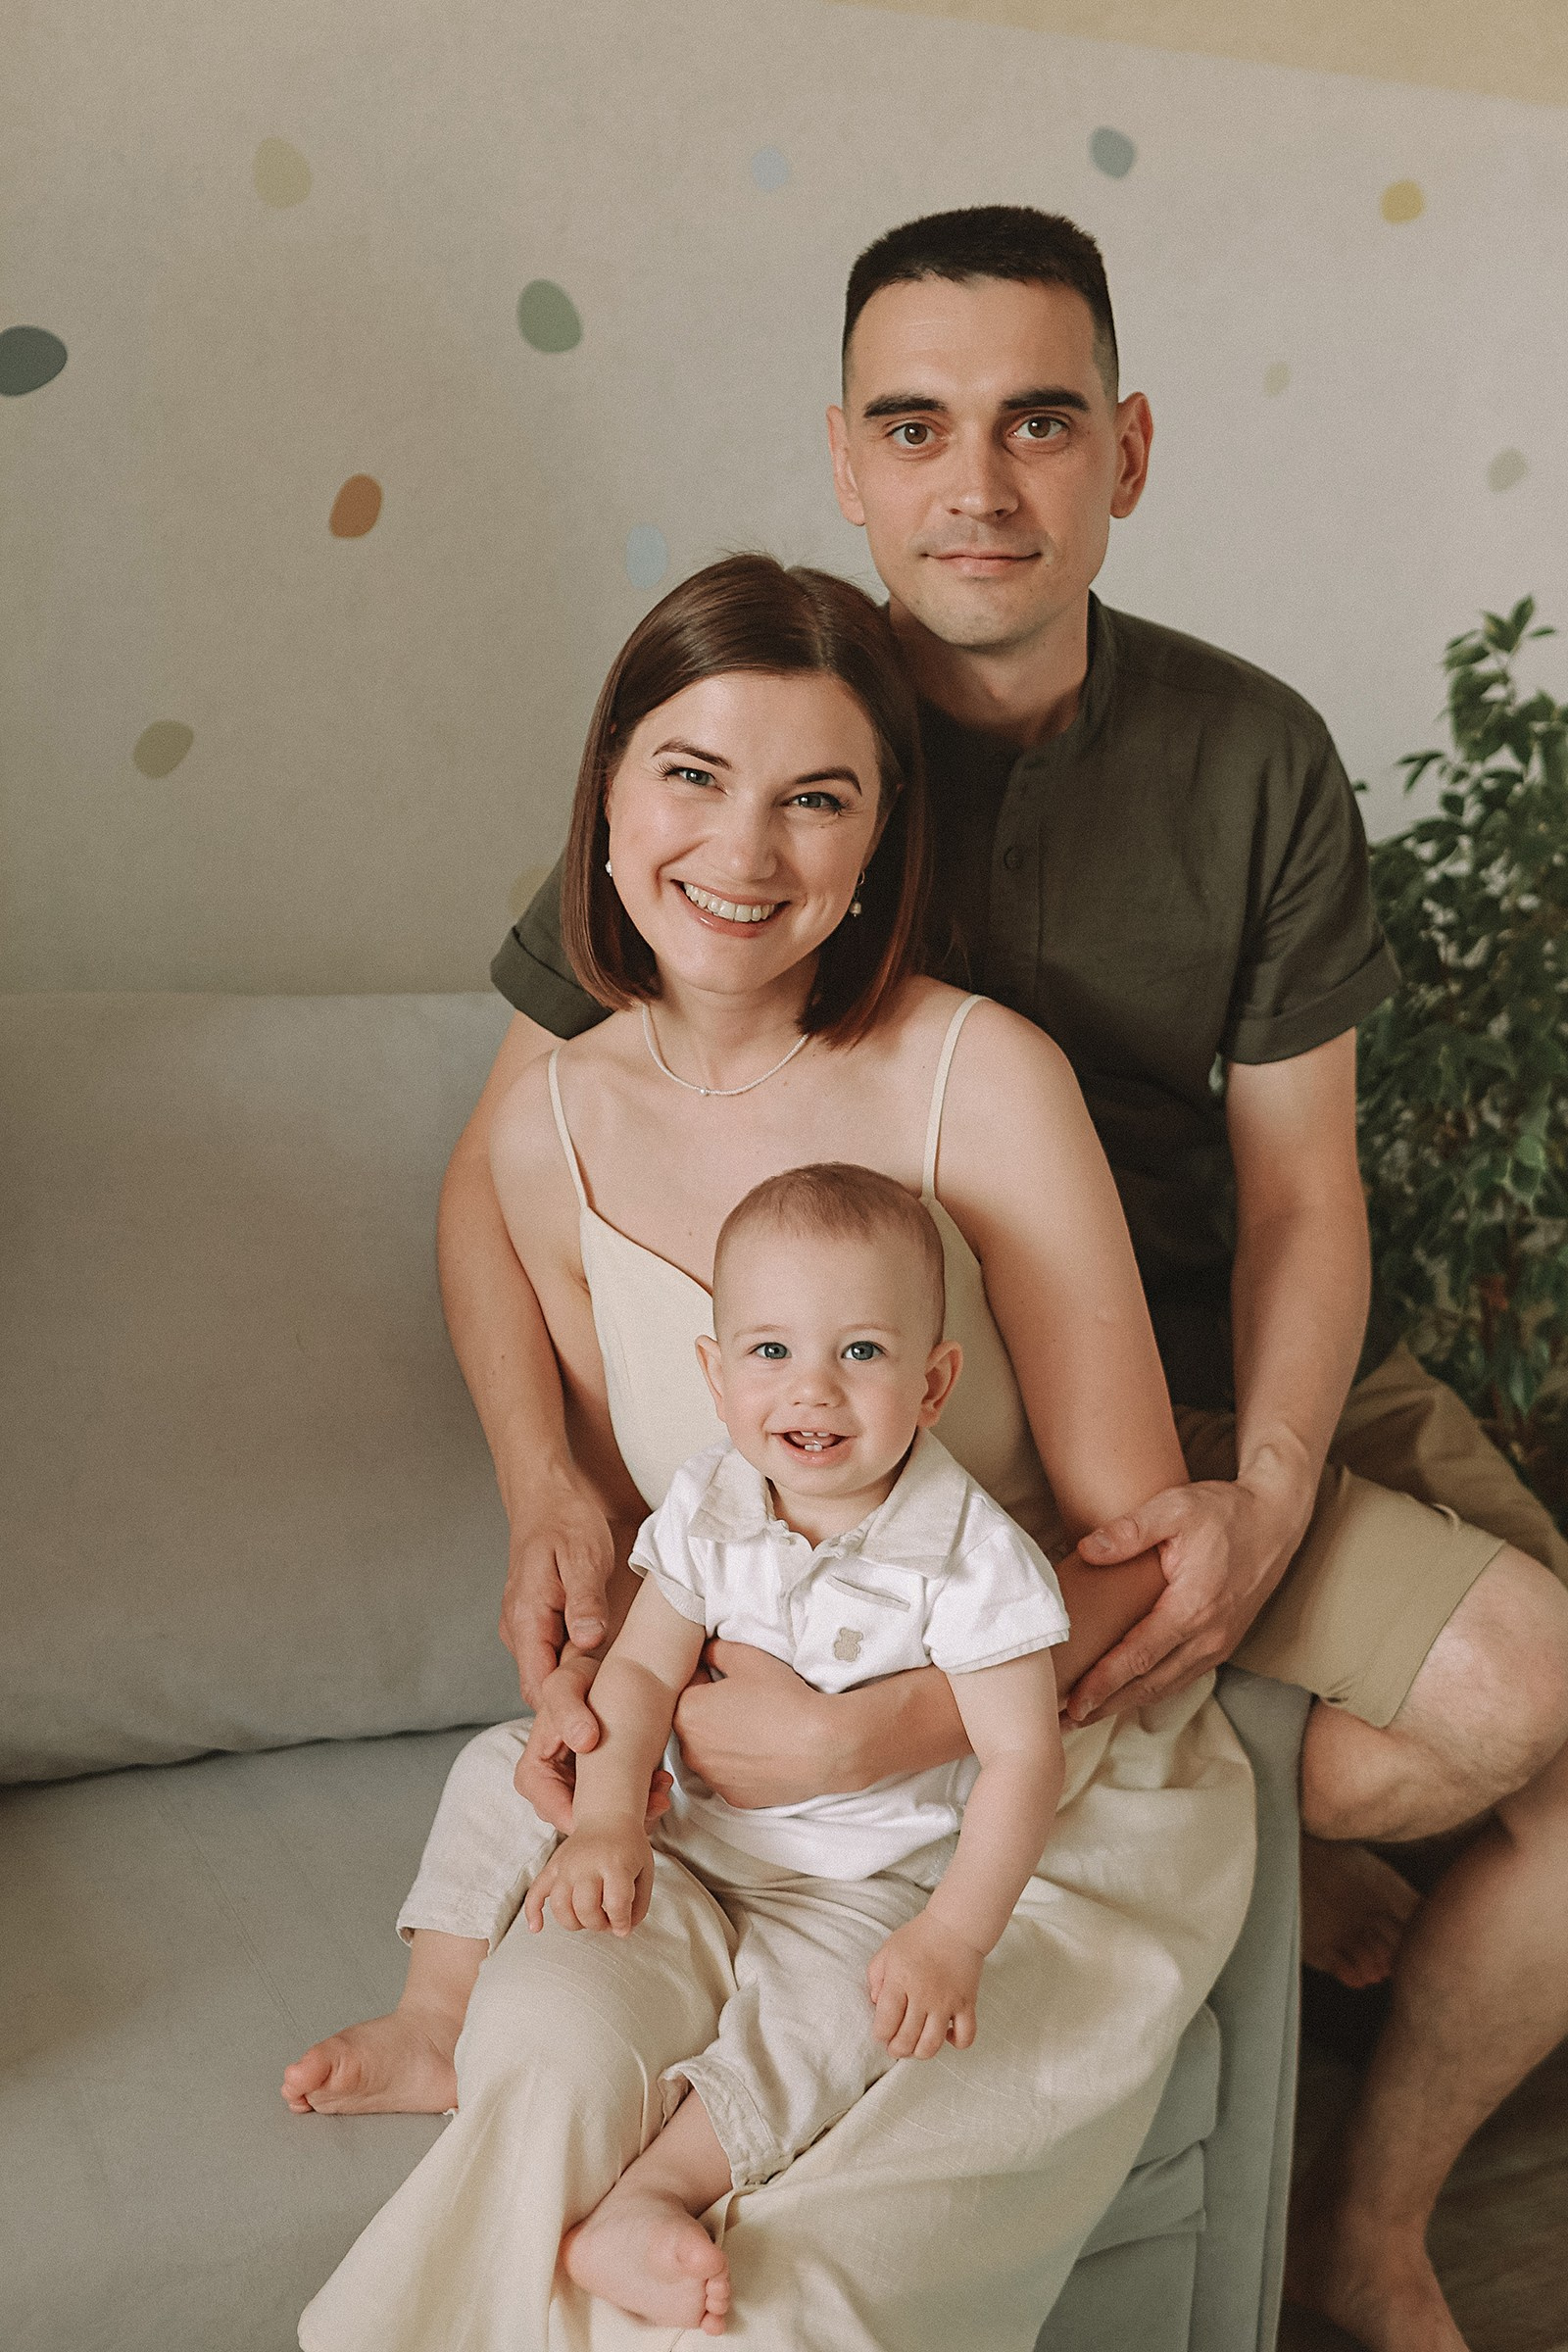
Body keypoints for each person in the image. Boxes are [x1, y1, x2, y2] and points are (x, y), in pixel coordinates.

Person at [428, 208, 1568, 2352]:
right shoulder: (764, 737)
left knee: (1540, 1707)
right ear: (843, 459)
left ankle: (1359, 2210)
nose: (976, 483)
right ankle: (1224, 1805)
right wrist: (549, 1488)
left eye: (1038, 424)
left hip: (1232, 1351)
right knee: (1446, 1707)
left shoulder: (1247, 755)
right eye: (913, 426)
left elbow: (1302, 1193)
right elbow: (506, 1176)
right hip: (932, 1404)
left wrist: (1265, 1485)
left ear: (1123, 452)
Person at [291, 553, 1256, 2352]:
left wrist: (881, 1730)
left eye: (818, 797)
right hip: (718, 1796)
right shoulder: (549, 1126)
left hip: (1027, 1785)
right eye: (692, 775)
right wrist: (596, 1662)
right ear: (606, 799)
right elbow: (670, 1539)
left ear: (882, 841)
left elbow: (1143, 1553)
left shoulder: (983, 1077)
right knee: (546, 2064)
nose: (744, 850)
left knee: (779, 2292)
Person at [527, 1164, 1069, 2336]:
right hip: (689, 1829)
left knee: (842, 2017)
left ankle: (659, 2189)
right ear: (715, 1374)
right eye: (769, 1351)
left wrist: (953, 1933)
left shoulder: (973, 1558)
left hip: (855, 1879)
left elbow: (1026, 1759)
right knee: (500, 1770)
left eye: (861, 1352)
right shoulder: (710, 1500)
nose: (812, 1387)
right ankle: (435, 2009)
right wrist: (611, 1816)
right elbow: (639, 1671)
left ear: (932, 1384)